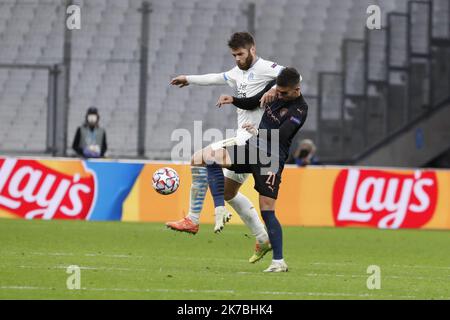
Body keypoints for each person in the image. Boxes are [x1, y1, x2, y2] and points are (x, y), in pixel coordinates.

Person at [167, 32, 289, 263]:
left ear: (252, 49)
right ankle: (263, 238)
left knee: (197, 158)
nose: (237, 59)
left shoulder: (266, 68)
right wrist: (188, 78)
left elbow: (295, 75)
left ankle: (192, 219)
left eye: (240, 54)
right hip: (253, 143)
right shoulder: (236, 73)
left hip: (249, 138)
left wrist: (276, 88)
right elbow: (214, 77)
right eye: (234, 55)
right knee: (229, 192)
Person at [195, 67, 307, 272]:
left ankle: (278, 262)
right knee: (209, 157)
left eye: (283, 93)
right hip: (251, 149)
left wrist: (258, 131)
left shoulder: (300, 109)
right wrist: (233, 99)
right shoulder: (274, 90)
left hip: (271, 159)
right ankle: (219, 208)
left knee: (267, 211)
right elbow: (252, 102)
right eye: (277, 90)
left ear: (296, 89)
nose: (278, 95)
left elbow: (282, 136)